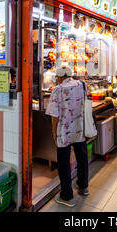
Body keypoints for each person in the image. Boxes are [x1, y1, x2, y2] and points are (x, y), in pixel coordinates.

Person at [45, 66, 89, 208]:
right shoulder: (82, 85)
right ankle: (83, 186)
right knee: (82, 157)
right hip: (78, 128)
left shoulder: (58, 89)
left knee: (63, 163)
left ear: (58, 77)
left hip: (64, 131)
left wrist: (54, 133)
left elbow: (54, 115)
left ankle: (67, 196)